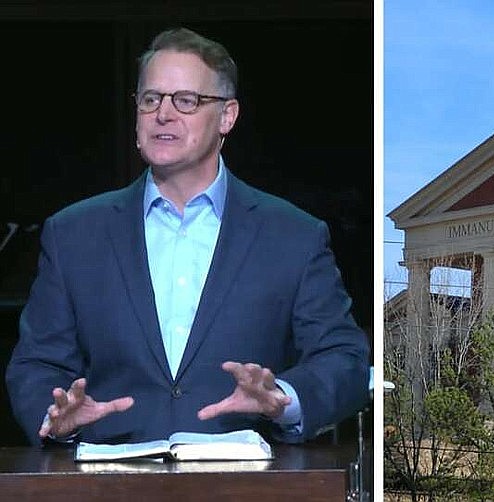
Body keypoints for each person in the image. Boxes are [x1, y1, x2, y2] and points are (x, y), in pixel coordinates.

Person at [5, 27, 370, 445]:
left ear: (227, 116)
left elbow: (345, 360)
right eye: (150, 99)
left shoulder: (294, 236)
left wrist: (282, 398)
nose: (163, 114)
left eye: (186, 100)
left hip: (250, 483)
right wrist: (56, 418)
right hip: (108, 482)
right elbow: (34, 366)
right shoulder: (73, 233)